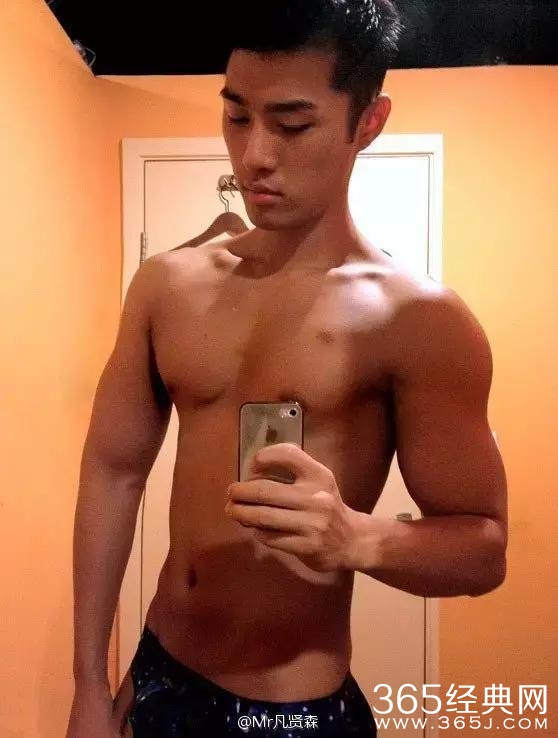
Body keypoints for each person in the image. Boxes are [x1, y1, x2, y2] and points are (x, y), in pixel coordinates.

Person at [66, 1, 508, 736]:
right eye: (236, 116)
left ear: (368, 122)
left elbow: (485, 549)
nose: (253, 156)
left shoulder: (418, 320)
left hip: (295, 714)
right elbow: (113, 473)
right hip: (158, 678)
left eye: (292, 124)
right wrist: (88, 680)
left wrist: (355, 537)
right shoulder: (167, 287)